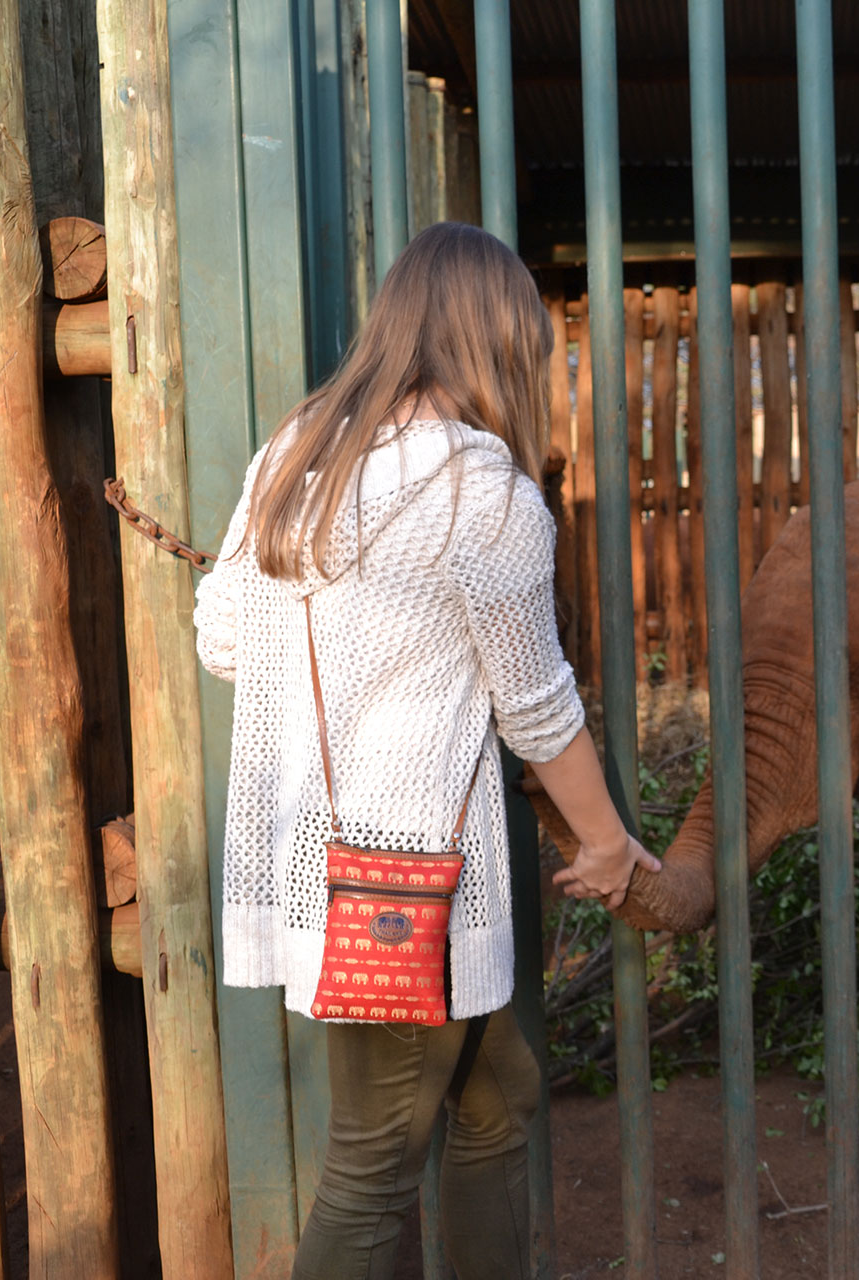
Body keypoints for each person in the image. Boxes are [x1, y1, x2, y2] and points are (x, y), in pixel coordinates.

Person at [194, 220, 658, 1279]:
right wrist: (609, 846)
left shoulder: (299, 452)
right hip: (407, 886)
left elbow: (223, 635)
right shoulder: (483, 493)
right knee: (370, 1169)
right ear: (501, 341)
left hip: (322, 858)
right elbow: (537, 708)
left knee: (500, 1096)